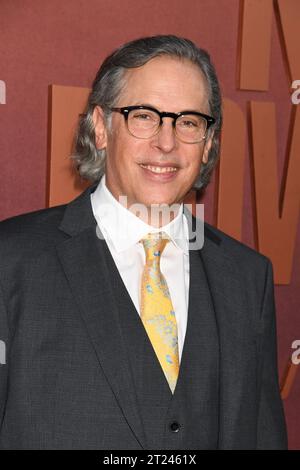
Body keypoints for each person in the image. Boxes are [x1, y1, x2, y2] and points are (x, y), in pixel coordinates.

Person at [0, 35, 287, 449]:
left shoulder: (246, 277)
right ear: (101, 127)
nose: (166, 143)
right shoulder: (11, 263)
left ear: (207, 145)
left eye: (188, 121)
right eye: (145, 116)